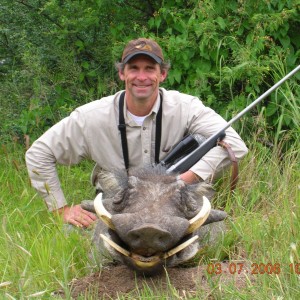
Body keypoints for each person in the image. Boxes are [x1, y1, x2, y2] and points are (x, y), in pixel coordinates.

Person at [25, 38, 248, 228]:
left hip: (176, 199)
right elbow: (38, 153)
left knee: (212, 232)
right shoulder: (91, 116)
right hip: (120, 201)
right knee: (75, 234)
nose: (142, 77)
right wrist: (60, 209)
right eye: (134, 68)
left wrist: (183, 180)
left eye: (150, 69)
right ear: (122, 73)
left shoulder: (187, 107)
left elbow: (235, 145)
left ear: (163, 74)